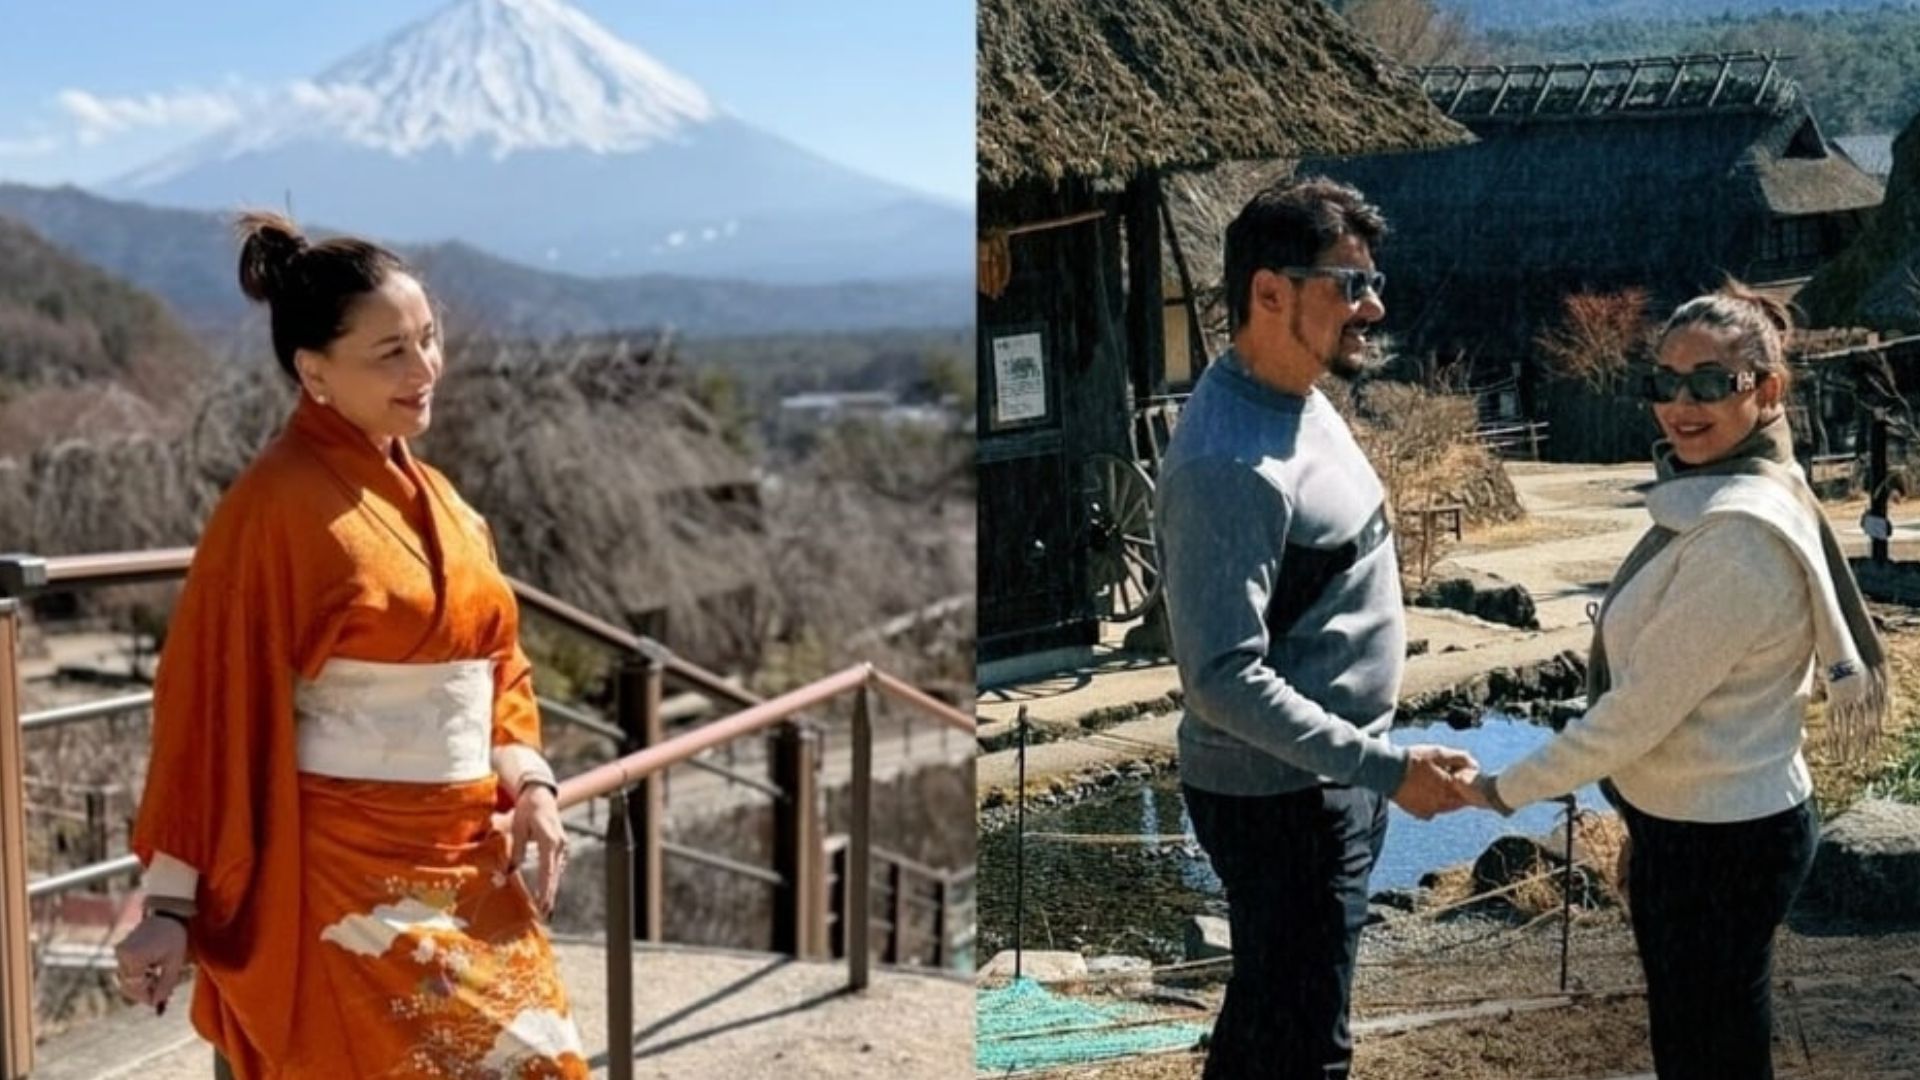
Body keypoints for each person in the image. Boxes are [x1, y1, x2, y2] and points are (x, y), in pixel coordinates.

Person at [112, 212, 589, 1078]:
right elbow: (209, 712)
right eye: (391, 353)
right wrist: (171, 906)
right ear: (314, 371)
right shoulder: (273, 508)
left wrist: (531, 781)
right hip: (340, 880)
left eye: (428, 339)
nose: (425, 368)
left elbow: (498, 666)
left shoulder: (442, 496)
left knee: (542, 1062)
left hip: (465, 859)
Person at [1459, 282, 1887, 1078]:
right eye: (1664, 382)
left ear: (1766, 389)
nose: (1680, 405)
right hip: (1710, 819)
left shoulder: (1736, 538)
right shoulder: (1738, 490)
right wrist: (1644, 827)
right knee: (1711, 1043)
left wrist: (1499, 788)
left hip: (1720, 840)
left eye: (1710, 383)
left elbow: (1634, 716)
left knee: (1707, 1053)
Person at [1154, 176, 1477, 1080]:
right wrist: (1382, 769)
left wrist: (1378, 759)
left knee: (1269, 1023)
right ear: (1270, 292)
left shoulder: (1300, 397)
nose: (1370, 307)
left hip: (1330, 777)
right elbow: (1219, 681)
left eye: (1373, 284)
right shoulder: (1228, 463)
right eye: (1348, 285)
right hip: (1283, 800)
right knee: (1307, 1047)